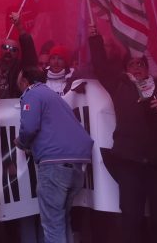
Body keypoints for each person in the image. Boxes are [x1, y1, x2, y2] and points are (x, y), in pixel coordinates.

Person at [89, 28, 157, 242]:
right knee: (131, 217)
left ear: (147, 68)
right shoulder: (120, 86)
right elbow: (101, 68)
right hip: (129, 162)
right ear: (126, 68)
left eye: (141, 64)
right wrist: (95, 39)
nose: (137, 67)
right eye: (132, 64)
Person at [16, 66, 93, 243]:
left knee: (52, 226)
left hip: (54, 165)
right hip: (76, 165)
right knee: (62, 222)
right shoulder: (54, 97)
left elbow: (29, 127)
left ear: (25, 80)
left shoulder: (32, 94)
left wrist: (21, 142)